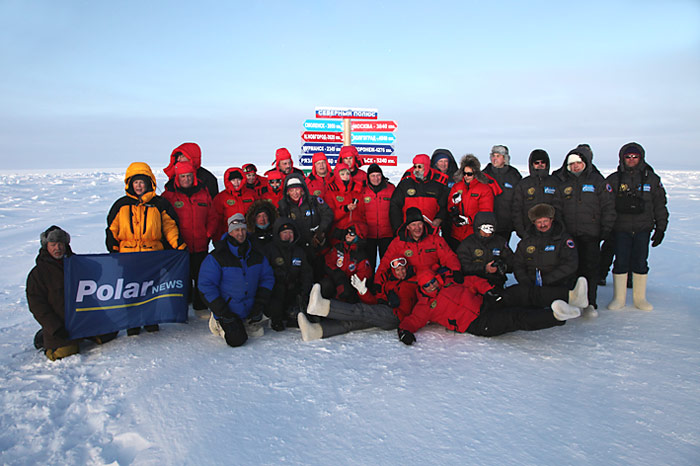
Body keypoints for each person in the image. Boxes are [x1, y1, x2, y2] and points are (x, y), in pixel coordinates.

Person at [396, 270, 582, 345]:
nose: (431, 286)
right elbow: (411, 322)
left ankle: (570, 296)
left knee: (517, 293)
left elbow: (473, 281)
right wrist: (404, 332)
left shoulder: (450, 282)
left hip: (484, 302)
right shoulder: (425, 306)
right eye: (426, 285)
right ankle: (556, 316)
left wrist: (489, 290)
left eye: (432, 281)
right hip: (477, 323)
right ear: (422, 288)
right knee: (514, 317)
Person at [106, 162, 186, 335]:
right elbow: (112, 229)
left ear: (149, 182)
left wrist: (178, 245)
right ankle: (133, 322)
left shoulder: (159, 204)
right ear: (130, 184)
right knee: (131, 290)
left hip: (152, 255)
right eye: (135, 182)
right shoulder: (121, 205)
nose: (139, 186)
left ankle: (151, 319)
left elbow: (169, 227)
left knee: (151, 289)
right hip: (128, 257)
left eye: (142, 182)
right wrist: (113, 248)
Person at [27, 226, 117, 361]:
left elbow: (97, 275)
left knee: (109, 335)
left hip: (82, 318)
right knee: (67, 352)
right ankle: (45, 339)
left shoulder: (76, 264)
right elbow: (38, 306)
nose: (57, 248)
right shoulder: (38, 274)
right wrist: (55, 327)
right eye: (53, 245)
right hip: (60, 323)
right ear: (46, 246)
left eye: (60, 244)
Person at [605, 142, 669, 311]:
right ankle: (619, 298)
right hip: (621, 229)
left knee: (640, 262)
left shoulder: (652, 179)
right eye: (628, 157)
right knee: (621, 262)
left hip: (643, 228)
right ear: (622, 158)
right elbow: (606, 205)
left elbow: (660, 205)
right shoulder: (614, 179)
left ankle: (640, 298)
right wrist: (606, 227)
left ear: (641, 158)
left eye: (635, 157)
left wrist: (661, 228)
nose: (631, 160)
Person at [299, 255, 419, 341]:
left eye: (403, 269)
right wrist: (363, 291)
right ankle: (315, 332)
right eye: (397, 270)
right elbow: (375, 303)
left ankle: (323, 307)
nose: (401, 272)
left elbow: (423, 301)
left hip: (396, 316)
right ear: (393, 272)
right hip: (383, 312)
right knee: (352, 323)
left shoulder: (414, 282)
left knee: (361, 310)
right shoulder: (387, 285)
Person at [554, 146, 615, 313]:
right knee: (570, 269)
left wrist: (605, 229)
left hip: (591, 235)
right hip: (569, 235)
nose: (575, 166)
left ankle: (590, 303)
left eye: (578, 163)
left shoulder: (598, 182)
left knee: (590, 269)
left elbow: (608, 207)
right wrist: (561, 230)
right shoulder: (563, 183)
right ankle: (572, 301)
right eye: (572, 164)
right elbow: (557, 209)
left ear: (585, 163)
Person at [198, 213, 275, 347]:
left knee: (264, 326)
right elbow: (206, 285)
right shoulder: (218, 256)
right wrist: (222, 312)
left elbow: (267, 278)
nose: (240, 233)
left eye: (243, 229)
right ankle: (217, 322)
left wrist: (259, 304)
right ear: (229, 232)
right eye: (236, 230)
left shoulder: (256, 253)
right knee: (236, 340)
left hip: (249, 307)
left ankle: (247, 320)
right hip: (228, 310)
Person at [507, 203, 589, 314]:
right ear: (534, 223)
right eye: (539, 222)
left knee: (548, 292)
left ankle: (571, 300)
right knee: (518, 293)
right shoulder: (526, 242)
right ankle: (564, 306)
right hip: (532, 284)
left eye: (545, 221)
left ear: (551, 220)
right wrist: (525, 280)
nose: (542, 225)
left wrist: (548, 279)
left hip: (556, 282)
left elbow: (571, 264)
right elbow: (518, 264)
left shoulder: (563, 239)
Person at [162, 161, 217, 316]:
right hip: (179, 247)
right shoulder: (169, 196)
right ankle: (180, 307)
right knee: (181, 278)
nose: (186, 179)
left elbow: (212, 216)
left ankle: (200, 306)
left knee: (201, 276)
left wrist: (208, 233)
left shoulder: (203, 193)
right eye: (183, 176)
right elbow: (164, 221)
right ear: (177, 178)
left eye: (188, 176)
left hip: (200, 244)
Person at [376, 207, 461, 287]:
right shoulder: (398, 243)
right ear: (408, 227)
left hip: (431, 281)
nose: (417, 228)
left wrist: (456, 270)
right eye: (413, 225)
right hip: (410, 283)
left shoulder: (435, 239)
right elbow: (385, 263)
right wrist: (377, 282)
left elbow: (448, 256)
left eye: (420, 224)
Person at [277, 173, 334, 276]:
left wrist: (321, 231)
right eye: (291, 190)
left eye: (297, 189)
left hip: (317, 247)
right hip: (297, 249)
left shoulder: (314, 201)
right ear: (287, 192)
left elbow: (328, 214)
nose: (295, 193)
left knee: (320, 276)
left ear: (302, 190)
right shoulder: (283, 206)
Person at [263, 218, 313, 331]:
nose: (288, 236)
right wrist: (280, 275)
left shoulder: (299, 251)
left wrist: (305, 292)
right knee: (278, 290)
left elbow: (306, 273)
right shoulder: (269, 249)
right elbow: (265, 272)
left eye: (290, 233)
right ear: (278, 234)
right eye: (284, 233)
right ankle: (276, 318)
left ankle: (295, 314)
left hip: (293, 288)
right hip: (276, 290)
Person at [446, 154, 498, 250]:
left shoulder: (484, 189)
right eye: (464, 173)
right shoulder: (457, 187)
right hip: (456, 233)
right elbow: (449, 206)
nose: (466, 176)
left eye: (469, 174)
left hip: (473, 233)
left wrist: (468, 220)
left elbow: (485, 212)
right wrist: (453, 206)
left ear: (475, 173)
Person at [390, 154, 449, 234]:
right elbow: (395, 206)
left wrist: (439, 219)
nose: (417, 170)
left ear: (427, 166)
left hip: (431, 230)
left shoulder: (438, 184)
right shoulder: (405, 183)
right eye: (415, 167)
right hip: (409, 231)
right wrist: (399, 228)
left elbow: (444, 206)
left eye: (420, 167)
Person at [511, 149, 561, 239]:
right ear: (532, 164)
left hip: (552, 232)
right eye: (536, 162)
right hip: (529, 232)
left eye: (543, 162)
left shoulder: (555, 182)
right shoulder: (523, 184)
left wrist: (559, 228)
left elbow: (560, 206)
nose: (540, 165)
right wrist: (521, 231)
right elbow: (517, 209)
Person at [456, 211, 514, 288]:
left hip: (495, 282)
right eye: (485, 229)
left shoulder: (500, 242)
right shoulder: (467, 244)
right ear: (478, 228)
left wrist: (503, 266)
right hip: (473, 284)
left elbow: (512, 261)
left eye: (491, 228)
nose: (488, 233)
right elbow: (463, 266)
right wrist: (484, 268)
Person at [320, 225, 373, 303]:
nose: (348, 236)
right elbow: (328, 262)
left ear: (358, 236)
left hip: (350, 287)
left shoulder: (361, 256)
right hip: (335, 280)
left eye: (352, 234)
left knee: (346, 292)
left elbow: (364, 275)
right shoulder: (339, 248)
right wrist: (338, 275)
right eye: (347, 233)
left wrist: (348, 282)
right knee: (325, 285)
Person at [482, 145, 522, 243]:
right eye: (493, 156)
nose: (495, 159)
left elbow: (519, 199)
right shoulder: (484, 175)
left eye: (498, 156)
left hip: (506, 223)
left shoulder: (514, 175)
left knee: (503, 251)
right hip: (487, 223)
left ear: (505, 158)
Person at [362, 163, 396, 271]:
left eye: (378, 175)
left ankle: (385, 286)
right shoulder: (363, 190)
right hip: (369, 234)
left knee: (387, 263)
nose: (376, 178)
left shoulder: (391, 189)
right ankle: (370, 286)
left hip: (387, 234)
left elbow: (397, 209)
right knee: (369, 265)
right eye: (373, 176)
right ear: (368, 177)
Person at [324, 162, 367, 244]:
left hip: (354, 231)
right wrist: (345, 209)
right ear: (337, 175)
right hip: (338, 232)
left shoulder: (357, 190)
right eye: (342, 174)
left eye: (347, 173)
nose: (346, 176)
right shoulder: (331, 192)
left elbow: (363, 213)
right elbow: (330, 216)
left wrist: (360, 230)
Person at [211, 167, 258, 240]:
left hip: (249, 234)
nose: (236, 183)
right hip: (229, 235)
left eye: (238, 180)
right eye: (233, 180)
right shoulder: (221, 197)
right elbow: (216, 220)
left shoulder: (251, 194)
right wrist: (218, 239)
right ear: (228, 181)